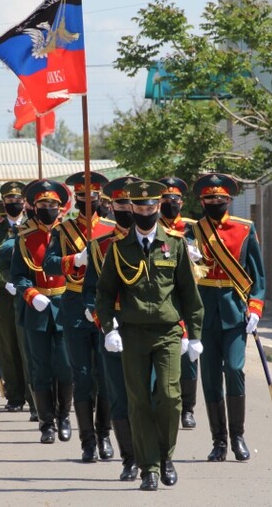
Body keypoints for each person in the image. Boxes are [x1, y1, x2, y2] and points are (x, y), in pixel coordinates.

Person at [96, 180, 204, 492]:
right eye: (140, 208)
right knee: (139, 402)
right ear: (131, 208)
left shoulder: (175, 244)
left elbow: (189, 294)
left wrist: (194, 335)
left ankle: (166, 456)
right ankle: (149, 468)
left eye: (150, 207)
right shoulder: (118, 249)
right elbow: (105, 295)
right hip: (133, 332)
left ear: (158, 208)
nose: (145, 213)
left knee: (170, 398)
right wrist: (108, 327)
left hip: (168, 332)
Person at [190, 172, 266, 463]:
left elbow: (257, 275)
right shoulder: (192, 232)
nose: (214, 202)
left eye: (220, 199)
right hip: (204, 313)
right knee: (210, 379)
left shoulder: (244, 229)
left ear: (229, 200)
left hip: (235, 312)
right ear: (202, 201)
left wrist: (256, 309)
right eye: (209, 199)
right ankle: (219, 441)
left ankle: (238, 436)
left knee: (234, 370)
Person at [44, 171, 116, 463]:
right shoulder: (63, 231)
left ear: (100, 198)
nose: (88, 201)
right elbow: (49, 264)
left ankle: (105, 433)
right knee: (83, 377)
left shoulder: (112, 228)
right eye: (83, 196)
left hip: (106, 305)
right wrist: (74, 260)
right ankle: (87, 440)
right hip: (74, 305)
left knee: (107, 376)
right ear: (77, 198)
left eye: (93, 196)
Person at [82, 175, 140, 480]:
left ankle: (155, 457)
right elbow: (90, 294)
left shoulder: (164, 242)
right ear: (110, 205)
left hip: (150, 327)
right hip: (115, 328)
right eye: (120, 203)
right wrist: (106, 326)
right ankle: (130, 458)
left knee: (153, 396)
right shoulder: (99, 246)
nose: (127, 208)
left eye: (132, 202)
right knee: (119, 396)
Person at [11, 179, 72, 445]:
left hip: (65, 305)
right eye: (43, 204)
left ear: (61, 207)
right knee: (41, 369)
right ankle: (47, 423)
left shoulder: (69, 233)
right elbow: (18, 276)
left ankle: (65, 416)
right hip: (36, 309)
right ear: (34, 207)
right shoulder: (24, 237)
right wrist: (31, 294)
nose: (48, 208)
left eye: (53, 204)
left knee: (66, 367)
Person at [158, 176, 200, 430]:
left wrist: (196, 254)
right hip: (165, 298)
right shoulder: (154, 226)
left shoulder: (192, 228)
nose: (170, 203)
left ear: (182, 202)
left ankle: (188, 409)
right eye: (165, 199)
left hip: (189, 297)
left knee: (189, 359)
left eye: (174, 199)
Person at [0, 181, 31, 413]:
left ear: (25, 202)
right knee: (9, 347)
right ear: (4, 203)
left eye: (18, 200)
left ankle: (35, 396)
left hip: (29, 296)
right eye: (10, 201)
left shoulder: (34, 226)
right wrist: (6, 282)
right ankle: (14, 395)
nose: (14, 204)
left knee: (29, 346)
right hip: (4, 297)